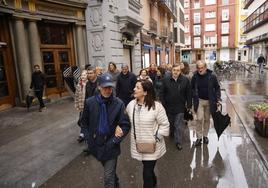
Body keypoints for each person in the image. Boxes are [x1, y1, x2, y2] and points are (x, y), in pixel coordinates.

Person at [81, 73, 130, 188]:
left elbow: (126, 125)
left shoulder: (119, 104)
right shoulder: (89, 102)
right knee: (110, 172)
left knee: (108, 177)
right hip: (95, 145)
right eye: (105, 87)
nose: (108, 90)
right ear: (98, 86)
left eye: (110, 87)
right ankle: (115, 182)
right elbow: (84, 122)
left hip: (111, 145)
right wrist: (88, 138)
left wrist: (114, 141)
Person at [126, 79, 169, 188]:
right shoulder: (131, 105)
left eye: (138, 87)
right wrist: (118, 127)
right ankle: (153, 181)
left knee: (146, 173)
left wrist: (157, 138)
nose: (134, 89)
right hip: (138, 145)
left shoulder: (157, 107)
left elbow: (165, 125)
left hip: (153, 146)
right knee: (148, 169)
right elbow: (124, 120)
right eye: (135, 87)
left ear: (145, 92)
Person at [159, 64, 192, 150]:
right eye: (174, 70)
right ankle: (172, 132)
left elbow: (189, 92)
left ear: (180, 71)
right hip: (168, 106)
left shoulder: (185, 80)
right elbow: (161, 92)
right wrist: (163, 103)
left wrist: (189, 104)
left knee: (178, 124)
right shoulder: (166, 79)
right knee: (171, 122)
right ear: (171, 70)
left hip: (180, 106)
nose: (176, 72)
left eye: (177, 70)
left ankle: (178, 142)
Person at [191, 61, 221, 146]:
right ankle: (199, 137)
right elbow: (192, 87)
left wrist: (218, 98)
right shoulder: (195, 76)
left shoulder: (212, 76)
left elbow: (217, 87)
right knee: (199, 119)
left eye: (202, 68)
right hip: (199, 101)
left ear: (205, 67)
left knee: (207, 119)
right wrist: (193, 95)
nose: (200, 70)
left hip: (210, 101)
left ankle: (205, 136)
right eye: (198, 68)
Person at [75, 70, 88, 143]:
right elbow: (76, 96)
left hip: (87, 106)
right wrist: (77, 105)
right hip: (81, 106)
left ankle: (83, 134)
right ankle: (83, 133)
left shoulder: (88, 84)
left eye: (84, 75)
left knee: (83, 121)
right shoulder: (78, 85)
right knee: (80, 121)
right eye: (82, 75)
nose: (83, 76)